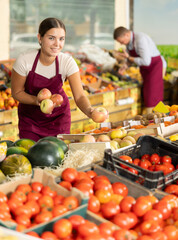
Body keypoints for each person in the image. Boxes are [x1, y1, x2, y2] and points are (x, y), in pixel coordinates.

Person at [11, 17, 103, 141]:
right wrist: (36, 100)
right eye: (51, 38)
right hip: (30, 121)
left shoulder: (67, 62)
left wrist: (90, 111)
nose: (57, 44)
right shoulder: (25, 60)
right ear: (40, 38)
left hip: (59, 120)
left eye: (61, 39)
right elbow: (16, 92)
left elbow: (80, 95)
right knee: (31, 155)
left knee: (59, 156)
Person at [113, 26, 167, 113]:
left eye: (122, 41)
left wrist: (129, 58)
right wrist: (125, 66)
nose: (122, 44)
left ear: (126, 34)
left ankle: (161, 118)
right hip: (146, 70)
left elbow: (146, 61)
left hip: (154, 67)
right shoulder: (129, 42)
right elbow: (132, 58)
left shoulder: (140, 39)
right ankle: (158, 117)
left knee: (153, 96)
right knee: (148, 95)